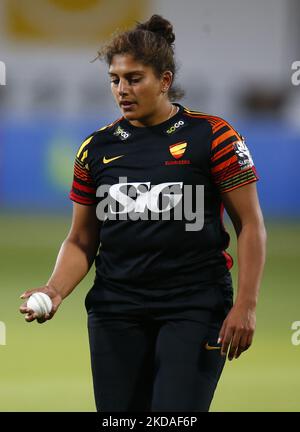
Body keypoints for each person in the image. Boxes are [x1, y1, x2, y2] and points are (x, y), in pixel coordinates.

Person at [19, 14, 267, 412]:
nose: (122, 89)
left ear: (164, 81)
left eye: (135, 79)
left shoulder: (214, 137)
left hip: (194, 305)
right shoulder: (95, 149)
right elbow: (82, 239)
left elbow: (251, 225)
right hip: (116, 309)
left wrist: (247, 304)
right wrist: (54, 289)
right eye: (115, 80)